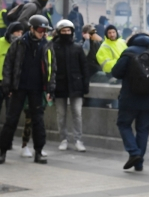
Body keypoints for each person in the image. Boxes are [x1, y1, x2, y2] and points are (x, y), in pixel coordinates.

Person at [0, 15, 55, 165]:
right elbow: (8, 66)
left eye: (45, 30)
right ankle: (2, 151)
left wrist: (50, 88)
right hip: (19, 88)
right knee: (11, 120)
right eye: (39, 29)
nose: (42, 33)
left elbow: (52, 68)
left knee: (38, 121)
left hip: (37, 89)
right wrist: (7, 86)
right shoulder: (18, 43)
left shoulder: (47, 45)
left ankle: (39, 151)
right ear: (31, 28)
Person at [111, 32, 149, 171]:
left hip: (130, 97)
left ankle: (134, 153)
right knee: (143, 129)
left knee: (123, 124)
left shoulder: (128, 52)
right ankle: (139, 163)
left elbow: (116, 72)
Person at [52, 19, 89, 152]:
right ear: (59, 32)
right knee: (61, 114)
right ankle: (63, 139)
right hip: (59, 85)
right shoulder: (53, 47)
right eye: (64, 31)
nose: (66, 33)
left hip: (76, 85)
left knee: (77, 113)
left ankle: (78, 140)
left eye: (68, 30)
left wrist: (85, 85)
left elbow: (84, 67)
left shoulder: (77, 47)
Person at [0, 23, 24, 152]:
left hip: (12, 86)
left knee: (11, 116)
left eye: (21, 32)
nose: (19, 34)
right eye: (17, 32)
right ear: (10, 32)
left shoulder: (21, 46)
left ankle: (7, 141)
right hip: (0, 82)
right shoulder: (1, 43)